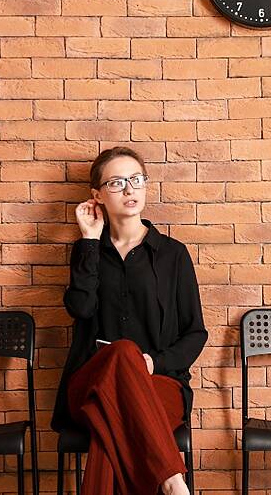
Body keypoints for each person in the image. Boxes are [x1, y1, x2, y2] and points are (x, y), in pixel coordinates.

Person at [51, 146, 208, 495]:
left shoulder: (173, 255)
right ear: (97, 195)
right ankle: (172, 481)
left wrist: (154, 362)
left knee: (110, 431)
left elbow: (195, 332)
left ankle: (172, 483)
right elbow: (79, 308)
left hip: (161, 382)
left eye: (136, 180)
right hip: (91, 382)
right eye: (117, 182)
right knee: (123, 352)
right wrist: (90, 241)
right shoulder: (85, 250)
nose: (129, 190)